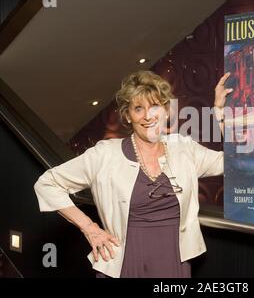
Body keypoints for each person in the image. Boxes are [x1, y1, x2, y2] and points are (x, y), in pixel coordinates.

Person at [34, 70, 232, 278]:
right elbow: (47, 184)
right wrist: (90, 228)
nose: (148, 116)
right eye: (138, 109)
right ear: (128, 115)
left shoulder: (184, 149)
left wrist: (219, 111)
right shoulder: (105, 154)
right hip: (125, 263)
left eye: (155, 107)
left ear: (166, 110)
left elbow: (233, 164)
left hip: (173, 261)